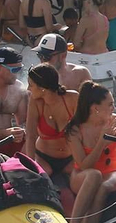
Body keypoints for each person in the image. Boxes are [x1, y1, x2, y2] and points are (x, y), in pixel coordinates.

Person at [64, 82, 116, 223]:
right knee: (94, 175)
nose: (114, 109)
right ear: (95, 108)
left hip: (112, 171)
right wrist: (102, 141)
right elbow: (85, 165)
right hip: (83, 174)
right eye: (110, 105)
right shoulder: (75, 129)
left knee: (103, 186)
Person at [25, 63, 79, 192]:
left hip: (70, 158)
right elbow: (31, 135)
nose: (28, 88)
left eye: (31, 85)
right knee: (41, 178)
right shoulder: (35, 102)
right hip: (44, 158)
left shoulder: (73, 98)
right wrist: (30, 165)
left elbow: (85, 129)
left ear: (42, 88)